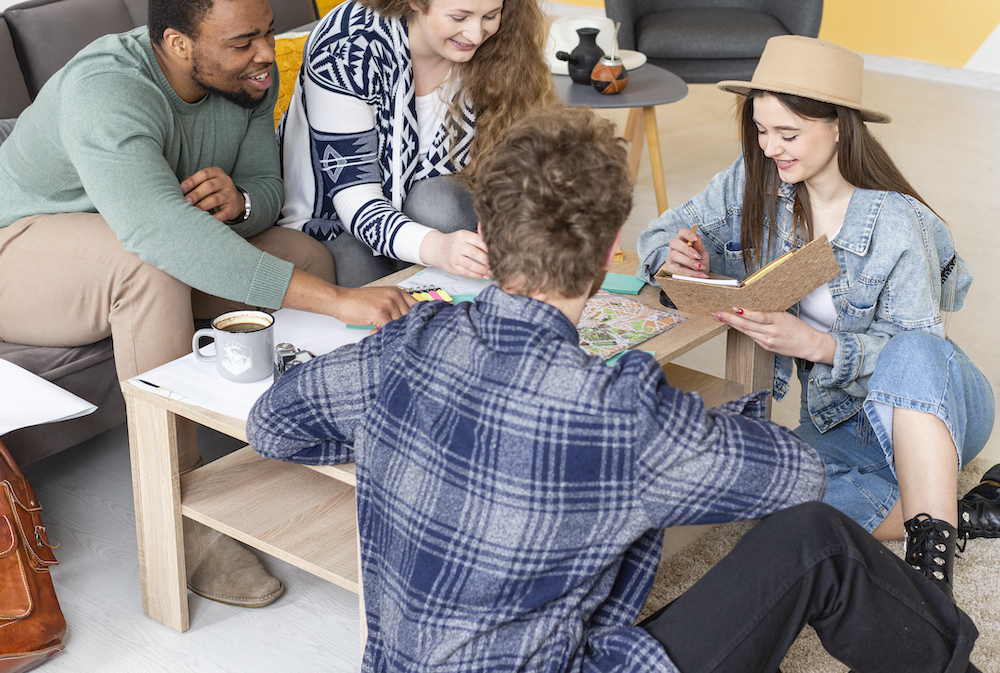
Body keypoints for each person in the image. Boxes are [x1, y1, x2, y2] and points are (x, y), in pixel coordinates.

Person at [247, 106, 980, 672]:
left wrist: (409, 429)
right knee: (818, 540)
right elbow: (792, 476)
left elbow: (272, 426)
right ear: (605, 256)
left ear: (485, 232)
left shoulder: (403, 347)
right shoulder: (620, 410)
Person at [0, 0, 413, 608]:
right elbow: (159, 236)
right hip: (18, 251)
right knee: (149, 270)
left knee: (303, 258)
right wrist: (340, 303)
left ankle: (306, 435)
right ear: (177, 44)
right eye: (243, 40)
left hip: (134, 239)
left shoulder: (246, 76)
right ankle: (181, 519)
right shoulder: (107, 91)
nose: (263, 53)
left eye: (267, 29)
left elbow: (269, 190)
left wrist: (242, 201)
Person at [637, 35, 996, 599]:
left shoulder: (899, 222)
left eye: (788, 133)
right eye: (760, 129)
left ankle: (931, 580)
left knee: (913, 349)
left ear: (838, 127)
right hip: (839, 423)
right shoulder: (754, 180)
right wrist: (671, 253)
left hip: (934, 413)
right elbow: (661, 229)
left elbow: (918, 359)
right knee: (767, 495)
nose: (770, 147)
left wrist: (816, 344)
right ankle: (951, 515)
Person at [277, 0, 554, 287]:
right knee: (363, 280)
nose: (476, 34)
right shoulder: (349, 46)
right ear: (414, 0)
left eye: (491, 14)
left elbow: (516, 157)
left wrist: (504, 205)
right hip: (337, 221)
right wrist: (438, 248)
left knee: (438, 202)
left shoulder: (499, 45)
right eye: (459, 16)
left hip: (427, 207)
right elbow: (354, 199)